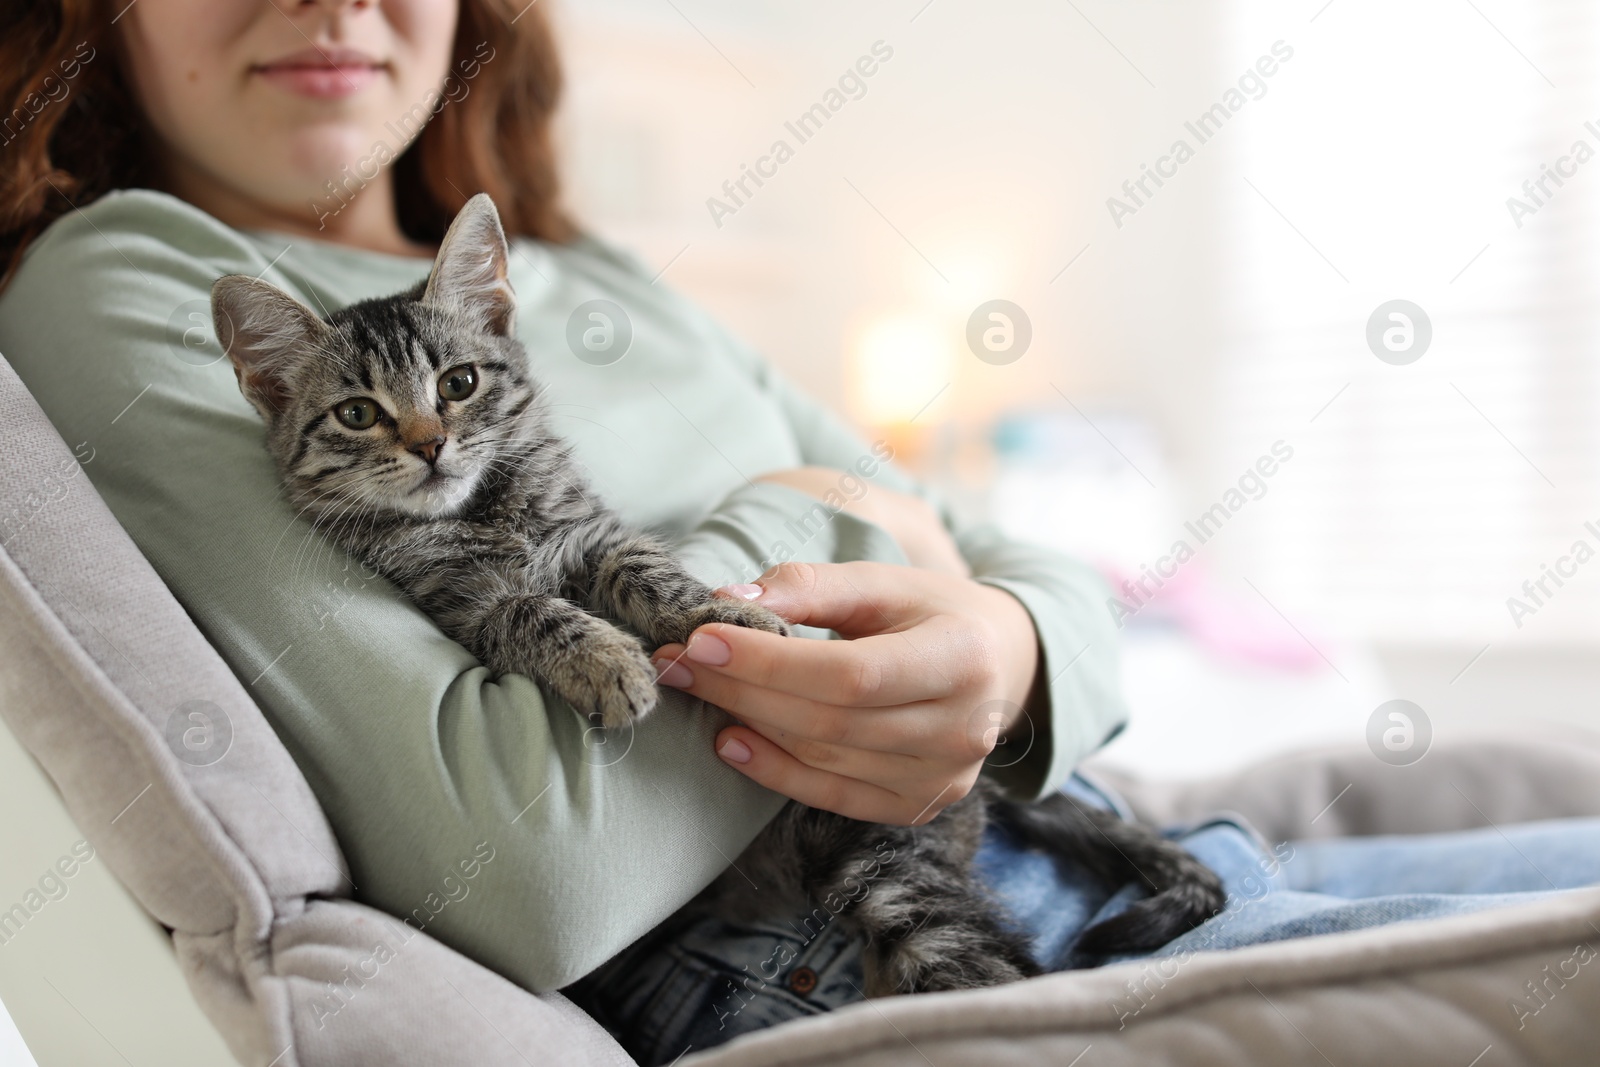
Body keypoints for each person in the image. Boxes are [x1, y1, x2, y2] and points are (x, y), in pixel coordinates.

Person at [1, 2, 1595, 1064]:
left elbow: (1002, 550)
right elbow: (533, 874)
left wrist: (1013, 646)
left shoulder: (595, 276)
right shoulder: (132, 270)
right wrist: (828, 518)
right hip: (882, 934)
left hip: (1105, 833)